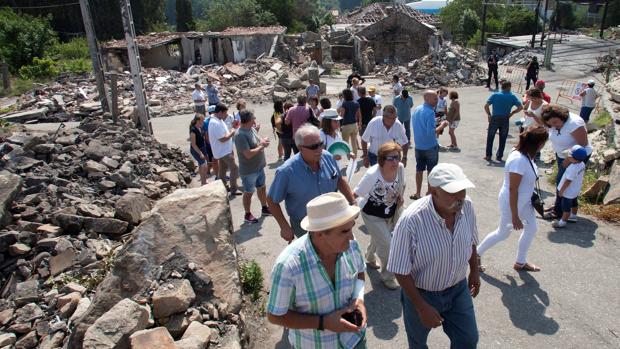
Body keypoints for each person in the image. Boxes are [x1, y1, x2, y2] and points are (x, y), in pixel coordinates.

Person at [387, 163, 480, 349]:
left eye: (462, 189)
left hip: (458, 289)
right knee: (418, 344)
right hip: (421, 294)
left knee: (468, 340)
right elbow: (399, 270)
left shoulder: (467, 206)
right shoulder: (411, 221)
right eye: (452, 192)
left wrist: (474, 272)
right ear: (433, 191)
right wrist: (421, 306)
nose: (460, 196)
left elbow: (472, 241)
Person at [267, 192, 367, 349]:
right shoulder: (288, 267)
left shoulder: (351, 245)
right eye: (344, 231)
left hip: (354, 341)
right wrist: (323, 322)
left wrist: (358, 299)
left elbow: (360, 272)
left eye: (351, 228)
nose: (351, 236)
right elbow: (275, 316)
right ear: (320, 234)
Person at [477, 127, 549, 272]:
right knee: (503, 233)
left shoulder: (525, 154)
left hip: (525, 201)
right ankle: (476, 254)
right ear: (539, 144)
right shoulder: (519, 160)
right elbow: (513, 189)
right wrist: (515, 216)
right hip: (512, 203)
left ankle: (520, 262)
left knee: (531, 228)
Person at [267, 124, 356, 241]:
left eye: (320, 144)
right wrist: (284, 227)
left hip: (332, 219)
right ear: (300, 147)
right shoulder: (286, 172)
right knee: (316, 256)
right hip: (306, 226)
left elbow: (339, 179)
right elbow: (272, 200)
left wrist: (352, 201)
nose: (319, 149)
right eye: (314, 146)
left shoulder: (327, 157)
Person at [354, 142, 405, 290]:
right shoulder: (372, 174)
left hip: (390, 211)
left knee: (380, 237)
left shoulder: (399, 168)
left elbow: (402, 184)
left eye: (397, 157)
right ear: (382, 159)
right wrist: (350, 214)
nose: (395, 161)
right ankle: (388, 276)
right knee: (388, 244)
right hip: (371, 213)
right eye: (391, 158)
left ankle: (369, 257)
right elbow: (355, 194)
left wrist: (400, 196)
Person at [541, 105, 592, 220]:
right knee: (562, 182)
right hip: (562, 155)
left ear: (562, 116)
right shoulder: (554, 122)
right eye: (551, 124)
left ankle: (558, 212)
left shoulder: (574, 124)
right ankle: (561, 206)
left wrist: (569, 160)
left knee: (563, 183)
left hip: (575, 157)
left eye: (555, 122)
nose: (553, 126)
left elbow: (583, 145)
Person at [235, 109, 272, 223]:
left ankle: (264, 208)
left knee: (262, 188)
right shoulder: (240, 135)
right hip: (249, 170)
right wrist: (262, 146)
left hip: (259, 167)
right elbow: (248, 154)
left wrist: (263, 141)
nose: (255, 120)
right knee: (249, 192)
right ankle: (247, 214)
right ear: (248, 120)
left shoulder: (251, 129)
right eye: (253, 118)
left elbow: (258, 140)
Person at [411, 91, 449, 200]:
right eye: (435, 99)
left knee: (419, 169)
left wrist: (434, 121)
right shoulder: (430, 112)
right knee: (431, 172)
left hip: (418, 146)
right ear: (427, 99)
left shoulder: (417, 109)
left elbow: (421, 125)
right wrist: (442, 125)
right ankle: (429, 193)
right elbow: (430, 132)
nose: (437, 101)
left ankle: (417, 193)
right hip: (430, 146)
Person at [484, 81, 523, 162]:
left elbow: (486, 105)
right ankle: (499, 156)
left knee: (490, 137)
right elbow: (520, 107)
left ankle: (488, 155)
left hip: (495, 118)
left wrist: (489, 115)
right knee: (503, 138)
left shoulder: (495, 95)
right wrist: (512, 113)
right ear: (509, 87)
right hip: (505, 118)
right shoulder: (512, 96)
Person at [208, 103, 241, 196]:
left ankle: (223, 187)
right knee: (234, 168)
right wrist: (232, 132)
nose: (226, 115)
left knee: (222, 169)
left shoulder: (218, 119)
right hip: (224, 151)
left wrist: (233, 127)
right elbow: (222, 139)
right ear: (219, 112)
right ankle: (233, 189)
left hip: (223, 150)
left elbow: (225, 131)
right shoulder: (215, 123)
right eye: (225, 113)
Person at [553, 145, 588, 228]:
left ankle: (562, 222)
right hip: (575, 190)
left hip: (567, 192)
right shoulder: (582, 164)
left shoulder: (573, 167)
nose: (568, 157)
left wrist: (561, 191)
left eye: (569, 155)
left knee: (566, 208)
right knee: (574, 203)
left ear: (574, 158)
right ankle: (573, 216)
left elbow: (568, 181)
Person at [338, 89, 361, 156]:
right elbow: (358, 114)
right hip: (354, 124)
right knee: (354, 143)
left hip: (346, 125)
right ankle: (354, 158)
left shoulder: (345, 103)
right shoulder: (356, 103)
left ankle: (349, 159)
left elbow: (342, 115)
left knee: (346, 144)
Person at [189, 113, 209, 185]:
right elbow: (194, 144)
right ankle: (203, 181)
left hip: (202, 148)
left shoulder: (199, 127)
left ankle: (203, 181)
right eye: (202, 120)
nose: (203, 122)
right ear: (198, 121)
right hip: (196, 150)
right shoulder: (193, 130)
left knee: (202, 165)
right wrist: (200, 153)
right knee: (204, 165)